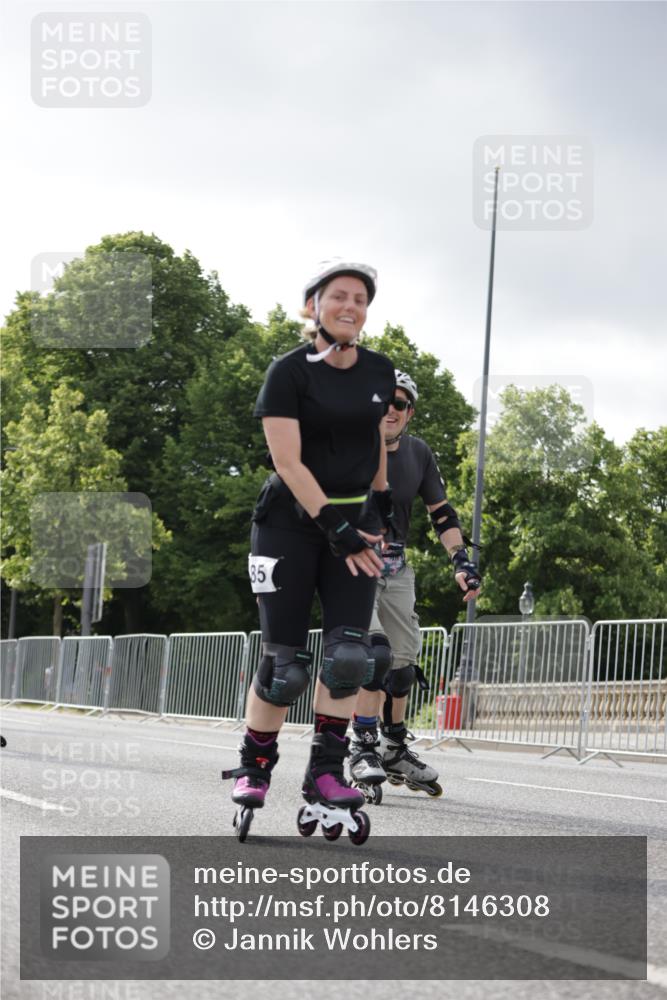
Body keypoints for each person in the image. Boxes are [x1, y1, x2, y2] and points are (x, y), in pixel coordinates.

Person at [223, 259, 396, 842]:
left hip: (352, 527)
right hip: (290, 527)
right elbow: (287, 462)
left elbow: (373, 436)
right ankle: (255, 765)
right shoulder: (288, 372)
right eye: (338, 296)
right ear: (313, 306)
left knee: (350, 658)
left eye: (360, 299)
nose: (351, 306)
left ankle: (325, 773)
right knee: (284, 668)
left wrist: (382, 502)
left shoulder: (378, 368)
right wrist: (336, 527)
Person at [349, 370, 481, 800]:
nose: (391, 409)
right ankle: (361, 747)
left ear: (410, 413)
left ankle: (393, 748)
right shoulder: (349, 448)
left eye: (400, 404)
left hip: (397, 568)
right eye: (384, 401)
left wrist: (460, 560)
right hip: (352, 566)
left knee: (403, 666)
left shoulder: (419, 453)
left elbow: (441, 513)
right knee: (375, 655)